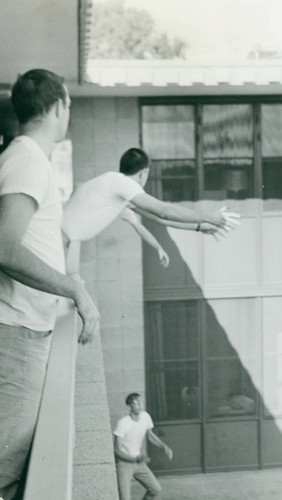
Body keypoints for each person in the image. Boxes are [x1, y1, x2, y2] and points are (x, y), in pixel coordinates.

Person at [0, 69, 100, 500]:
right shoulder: (26, 159)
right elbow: (5, 247)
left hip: (25, 328)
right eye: (69, 107)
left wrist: (67, 274)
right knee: (5, 467)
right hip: (18, 331)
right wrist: (74, 289)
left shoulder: (23, 157)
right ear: (59, 106)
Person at [62, 147, 240, 273]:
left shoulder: (114, 191)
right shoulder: (122, 184)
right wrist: (210, 218)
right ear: (143, 172)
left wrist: (199, 227)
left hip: (66, 241)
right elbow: (163, 211)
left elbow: (157, 220)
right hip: (61, 241)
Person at [114, 393, 172, 500]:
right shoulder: (123, 423)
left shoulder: (145, 416)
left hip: (138, 462)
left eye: (140, 401)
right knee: (125, 498)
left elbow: (150, 435)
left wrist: (164, 446)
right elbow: (116, 451)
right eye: (136, 402)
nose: (140, 404)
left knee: (155, 489)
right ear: (130, 406)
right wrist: (133, 459)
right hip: (124, 464)